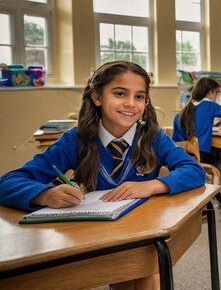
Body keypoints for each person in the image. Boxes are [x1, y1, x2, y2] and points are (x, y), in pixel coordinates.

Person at [0, 61, 205, 290]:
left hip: (142, 235)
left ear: (146, 102)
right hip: (96, 238)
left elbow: (195, 170)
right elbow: (7, 182)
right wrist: (45, 194)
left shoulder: (152, 137)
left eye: (139, 97)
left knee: (145, 269)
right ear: (97, 97)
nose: (130, 103)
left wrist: (153, 185)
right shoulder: (75, 139)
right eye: (120, 93)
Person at [172, 77, 221, 205]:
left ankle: (210, 190)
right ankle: (218, 190)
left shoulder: (183, 111)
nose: (216, 97)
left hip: (186, 157)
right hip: (203, 156)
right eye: (216, 93)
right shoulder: (209, 105)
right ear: (210, 92)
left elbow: (177, 140)